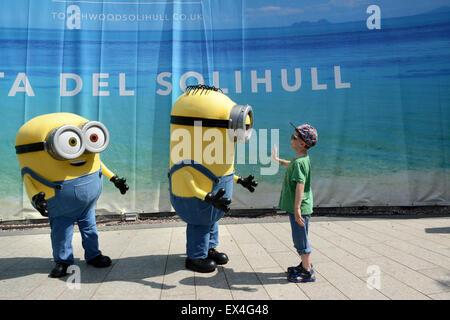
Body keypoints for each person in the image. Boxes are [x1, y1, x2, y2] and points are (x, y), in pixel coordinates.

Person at [272, 122, 318, 283]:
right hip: (301, 207)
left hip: (300, 208)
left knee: (300, 239)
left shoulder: (300, 162)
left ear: (302, 143)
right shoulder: (301, 158)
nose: (290, 138)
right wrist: (277, 159)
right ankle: (304, 265)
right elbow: (290, 164)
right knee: (301, 236)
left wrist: (297, 208)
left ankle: (307, 272)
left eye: (294, 137)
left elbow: (300, 184)